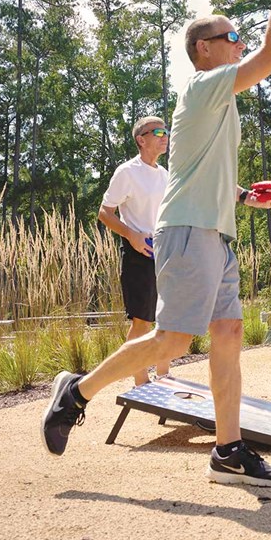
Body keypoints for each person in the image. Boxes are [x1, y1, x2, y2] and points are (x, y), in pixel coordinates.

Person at [42, 0, 271, 487]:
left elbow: (198, 172)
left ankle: (228, 451)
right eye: (232, 38)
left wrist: (247, 198)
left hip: (216, 232)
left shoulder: (217, 103)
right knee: (173, 341)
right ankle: (76, 392)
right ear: (204, 49)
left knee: (228, 332)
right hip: (186, 233)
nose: (240, 45)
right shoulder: (203, 87)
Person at [97, 116, 172, 386]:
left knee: (167, 319)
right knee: (142, 323)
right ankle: (141, 381)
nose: (165, 136)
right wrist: (131, 235)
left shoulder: (164, 174)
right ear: (141, 139)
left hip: (165, 252)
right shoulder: (127, 172)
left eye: (166, 131)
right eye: (158, 132)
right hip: (139, 254)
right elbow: (105, 212)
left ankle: (164, 376)